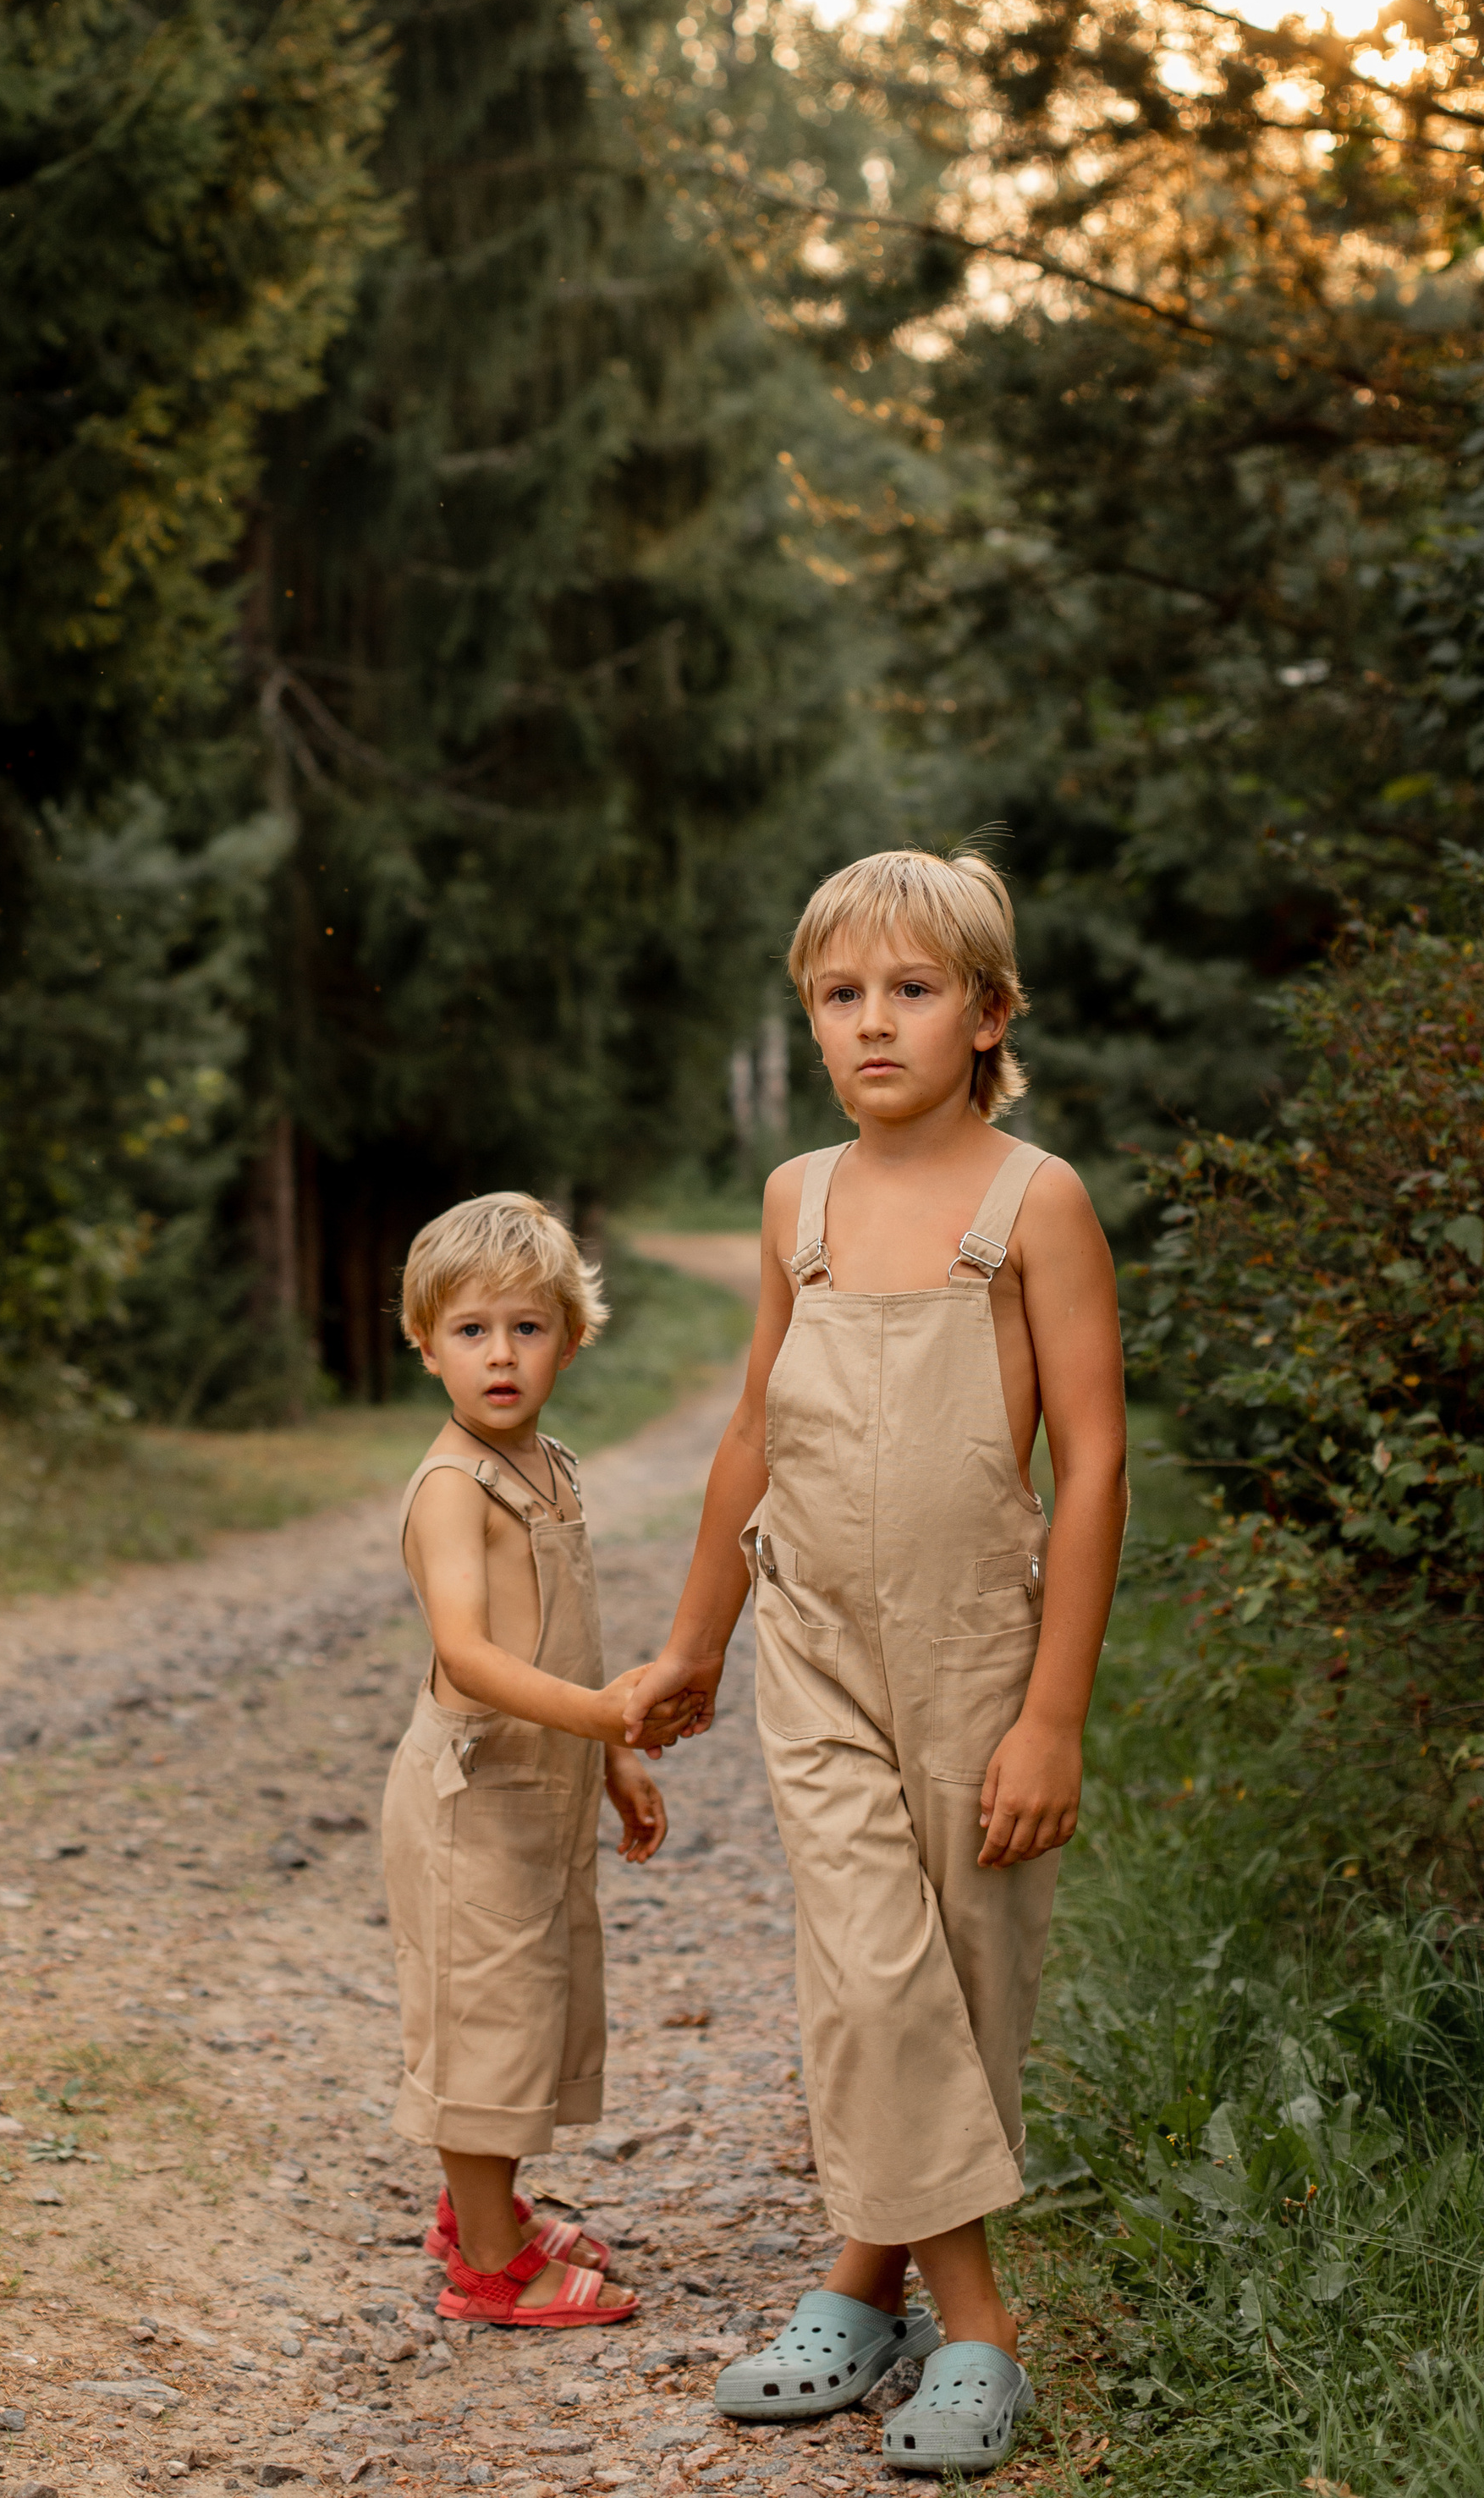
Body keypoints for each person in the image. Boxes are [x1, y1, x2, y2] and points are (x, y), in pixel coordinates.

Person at [622, 850, 1128, 2475]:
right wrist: (698, 1642)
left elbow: (1100, 1463)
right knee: (867, 1970)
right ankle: (979, 2332)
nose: (874, 1023)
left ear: (990, 1014)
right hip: (821, 1646)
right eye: (841, 997)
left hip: (984, 1653)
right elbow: (755, 1431)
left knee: (969, 1977)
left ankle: (862, 2279)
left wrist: (1053, 1714)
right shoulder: (797, 1201)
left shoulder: (1033, 1202)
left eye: (913, 991)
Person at [382, 1191, 701, 2330]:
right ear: (427, 1346)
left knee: (527, 2002)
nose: (501, 1355)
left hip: (544, 1783)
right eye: (471, 1332)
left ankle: (489, 2213)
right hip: (475, 1796)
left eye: (526, 1328)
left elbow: (568, 1630)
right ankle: (483, 2268)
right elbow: (467, 1655)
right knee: (484, 2015)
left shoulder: (549, 1465)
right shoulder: (450, 1490)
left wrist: (612, 1759)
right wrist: (604, 1720)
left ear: (571, 1337)